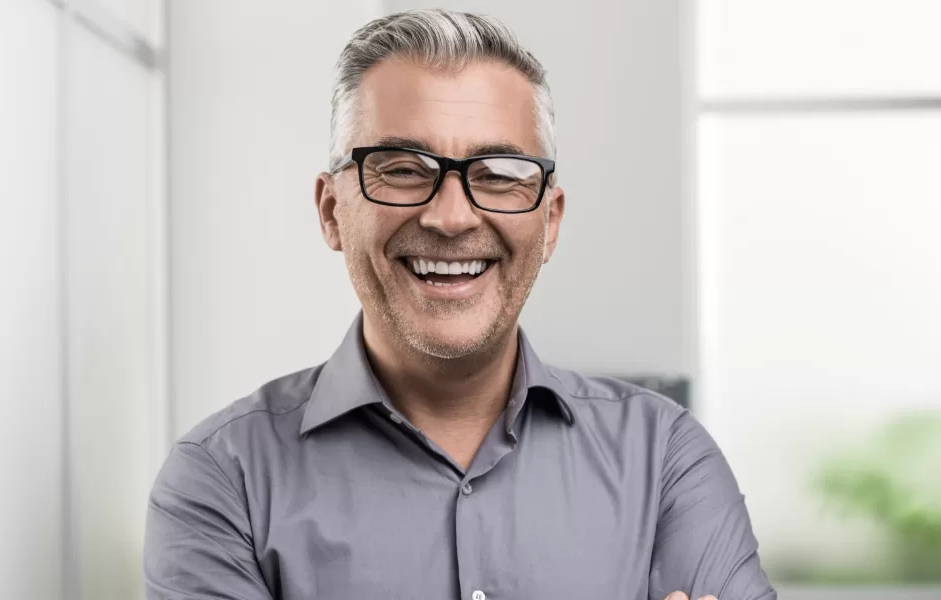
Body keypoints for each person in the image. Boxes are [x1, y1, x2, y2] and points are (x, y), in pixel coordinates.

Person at [145, 9, 776, 600]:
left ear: (549, 222)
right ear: (332, 210)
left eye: (501, 173)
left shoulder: (666, 458)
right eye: (400, 168)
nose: (450, 217)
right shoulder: (222, 481)